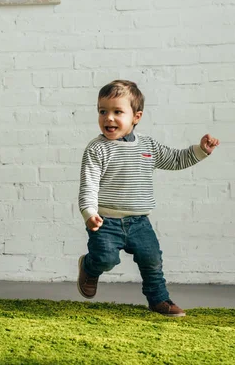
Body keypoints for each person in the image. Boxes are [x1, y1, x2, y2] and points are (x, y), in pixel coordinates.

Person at [77, 80, 220, 317]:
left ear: (136, 116)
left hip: (139, 222)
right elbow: (88, 186)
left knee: (152, 260)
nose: (108, 118)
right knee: (105, 259)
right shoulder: (97, 149)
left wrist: (200, 150)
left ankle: (159, 300)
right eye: (103, 111)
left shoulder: (148, 146)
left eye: (117, 112)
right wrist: (90, 214)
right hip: (105, 221)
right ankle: (89, 267)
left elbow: (175, 159)